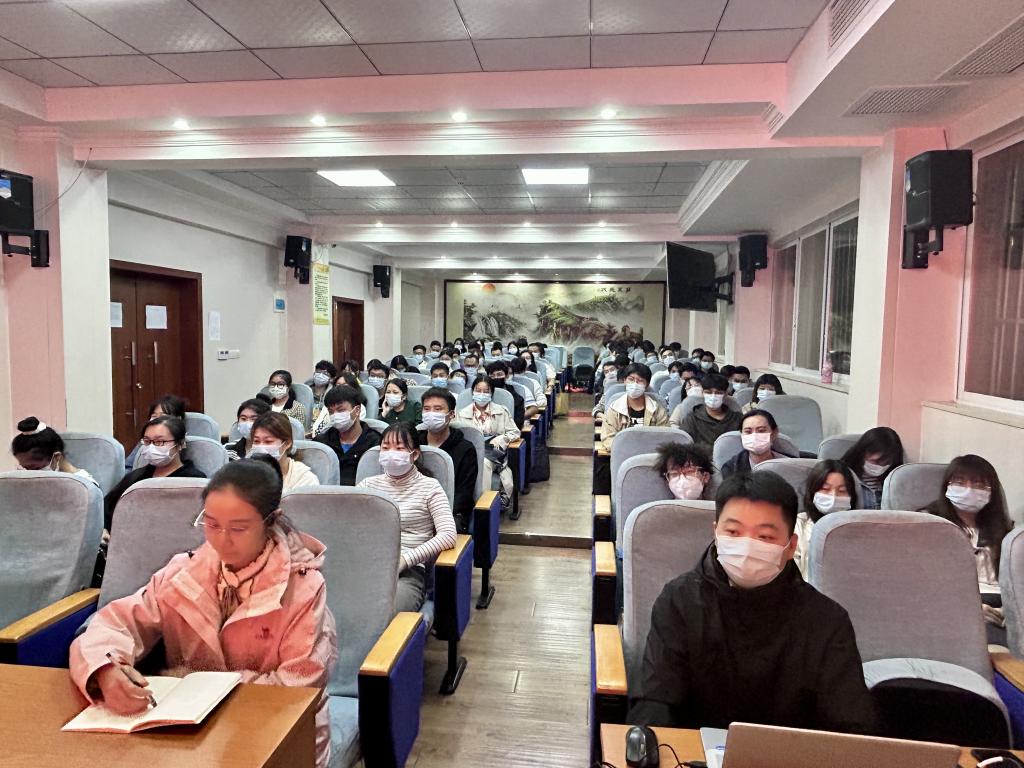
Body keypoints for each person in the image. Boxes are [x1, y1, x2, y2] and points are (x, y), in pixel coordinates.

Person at [72, 456, 337, 767]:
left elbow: (297, 686)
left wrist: (199, 684)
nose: (221, 540)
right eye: (211, 523)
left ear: (271, 521)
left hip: (278, 734)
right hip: (192, 734)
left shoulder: (303, 587)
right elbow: (116, 623)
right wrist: (105, 668)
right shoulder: (184, 571)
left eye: (239, 528)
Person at [628, 471, 876, 734]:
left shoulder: (827, 621)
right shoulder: (679, 601)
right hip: (691, 750)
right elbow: (655, 701)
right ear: (716, 533)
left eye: (765, 537)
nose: (746, 546)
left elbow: (850, 724)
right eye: (733, 532)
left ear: (791, 546)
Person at [356, 423, 457, 612]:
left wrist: (405, 559)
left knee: (385, 613)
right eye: (386, 448)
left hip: (410, 570)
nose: (391, 453)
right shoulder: (367, 486)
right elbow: (351, 528)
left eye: (399, 448)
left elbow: (448, 535)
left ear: (414, 454)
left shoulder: (430, 487)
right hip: (369, 564)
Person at [922, 455, 1012, 645]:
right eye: (960, 482)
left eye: (978, 484)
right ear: (946, 486)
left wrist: (1014, 610)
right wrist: (967, 608)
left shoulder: (1005, 530)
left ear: (991, 491)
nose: (968, 489)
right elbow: (922, 581)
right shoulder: (928, 523)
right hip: (957, 606)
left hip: (1003, 604)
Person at [104, 416, 206, 531]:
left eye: (159, 442)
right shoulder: (136, 476)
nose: (151, 447)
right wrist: (104, 530)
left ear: (180, 444)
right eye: (147, 442)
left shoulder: (194, 481)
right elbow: (106, 509)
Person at [420, 388, 479, 533]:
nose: (431, 413)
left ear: (451, 414)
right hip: (416, 509)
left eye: (438, 409)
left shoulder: (465, 449)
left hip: (450, 512)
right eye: (426, 409)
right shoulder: (414, 443)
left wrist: (437, 514)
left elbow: (464, 494)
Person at [457, 376, 519, 510]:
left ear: (491, 393)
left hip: (494, 452)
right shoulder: (462, 414)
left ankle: (482, 505)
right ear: (472, 392)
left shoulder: (501, 411)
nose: (482, 394)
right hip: (471, 452)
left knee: (484, 462)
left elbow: (515, 432)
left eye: (486, 391)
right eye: (478, 390)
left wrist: (502, 439)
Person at [794, 459, 859, 578]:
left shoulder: (861, 529)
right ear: (812, 492)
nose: (833, 496)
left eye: (842, 491)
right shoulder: (798, 525)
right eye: (825, 489)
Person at [314, 385, 381, 486]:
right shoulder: (321, 442)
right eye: (331, 412)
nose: (335, 416)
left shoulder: (375, 442)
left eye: (341, 410)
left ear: (357, 410)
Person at [599, 363, 669, 451]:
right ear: (624, 381)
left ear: (647, 385)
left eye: (640, 380)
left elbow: (665, 436)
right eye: (631, 379)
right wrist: (630, 449)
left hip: (650, 454)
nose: (635, 384)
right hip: (623, 454)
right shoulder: (614, 409)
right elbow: (608, 439)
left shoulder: (657, 409)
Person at [11, 416, 98, 485]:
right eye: (25, 468)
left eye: (34, 468)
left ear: (56, 457)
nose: (29, 474)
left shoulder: (83, 485)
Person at [674, 373, 743, 455]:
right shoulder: (692, 418)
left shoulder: (737, 418)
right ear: (702, 393)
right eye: (708, 392)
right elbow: (682, 445)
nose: (713, 396)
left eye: (718, 393)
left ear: (725, 394)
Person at [249, 411, 319, 492]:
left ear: (287, 443)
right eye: (256, 441)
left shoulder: (304, 479)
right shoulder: (246, 473)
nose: (261, 448)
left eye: (268, 442)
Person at [841, 426, 904, 509]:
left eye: (887, 463)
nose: (881, 466)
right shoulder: (842, 475)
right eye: (876, 461)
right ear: (862, 453)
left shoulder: (894, 479)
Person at [125, 394, 188, 470]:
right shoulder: (144, 442)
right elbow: (128, 467)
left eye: (163, 416)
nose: (157, 420)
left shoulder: (181, 442)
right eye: (154, 416)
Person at [720, 410, 790, 478]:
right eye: (748, 432)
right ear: (741, 435)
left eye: (761, 431)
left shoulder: (789, 463)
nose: (754, 436)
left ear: (774, 433)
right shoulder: (731, 469)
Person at [308, 372, 359, 439]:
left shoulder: (357, 406)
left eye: (341, 410)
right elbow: (316, 429)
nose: (335, 415)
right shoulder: (328, 407)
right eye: (338, 385)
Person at [486, 360, 526, 427]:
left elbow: (518, 423)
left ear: (506, 375)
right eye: (492, 375)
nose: (496, 377)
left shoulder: (516, 398)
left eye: (499, 374)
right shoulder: (482, 393)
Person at [306, 360, 337, 429]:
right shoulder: (305, 392)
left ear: (331, 379)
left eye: (325, 374)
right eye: (318, 372)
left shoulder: (332, 395)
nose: (320, 375)